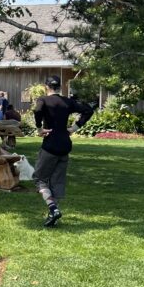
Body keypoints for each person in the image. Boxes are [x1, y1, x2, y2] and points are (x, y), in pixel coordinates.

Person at [32, 75, 94, 227]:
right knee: (57, 181)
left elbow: (37, 110)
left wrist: (39, 128)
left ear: (46, 87)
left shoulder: (43, 100)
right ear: (59, 87)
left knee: (39, 179)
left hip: (50, 145)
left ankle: (53, 209)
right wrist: (75, 127)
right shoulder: (67, 101)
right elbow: (88, 110)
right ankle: (53, 214)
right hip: (65, 145)